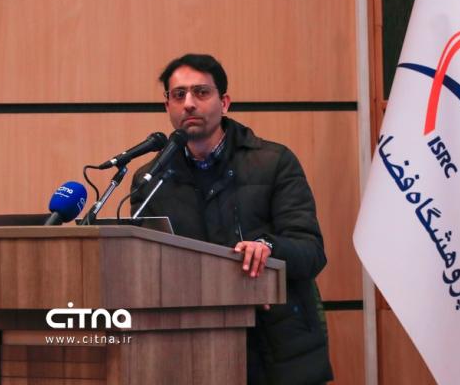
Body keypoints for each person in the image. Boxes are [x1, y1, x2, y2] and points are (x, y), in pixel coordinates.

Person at [130, 53, 333, 385]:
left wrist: (267, 248)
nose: (189, 103)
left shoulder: (273, 162)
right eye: (179, 95)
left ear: (224, 103)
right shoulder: (151, 180)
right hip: (190, 348)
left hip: (275, 346)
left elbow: (311, 251)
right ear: (167, 105)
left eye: (201, 92)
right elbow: (146, 265)